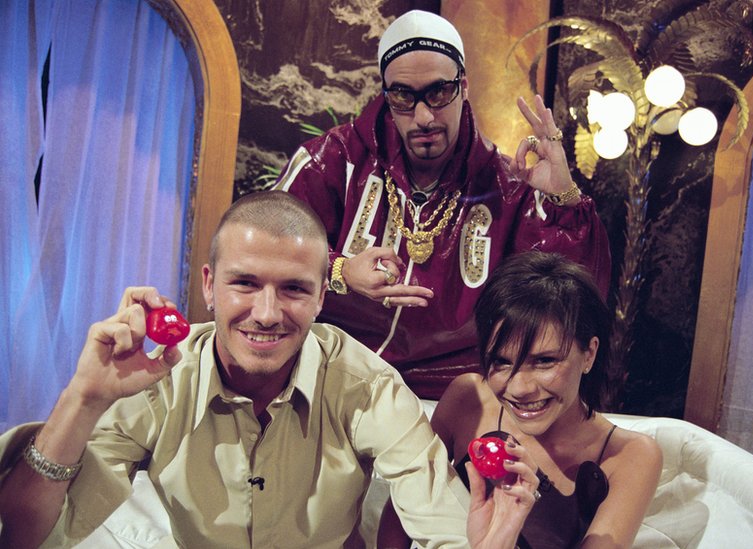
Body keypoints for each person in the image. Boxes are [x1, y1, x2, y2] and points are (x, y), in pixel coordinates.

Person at [0, 191, 539, 549]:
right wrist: (83, 397)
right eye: (245, 283)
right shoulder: (161, 377)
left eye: (294, 289)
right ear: (209, 286)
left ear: (322, 296)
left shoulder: (367, 387)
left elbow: (442, 525)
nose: (266, 313)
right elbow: (25, 536)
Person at [274, 9, 611, 400]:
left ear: (463, 87)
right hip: (333, 374)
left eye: (438, 93)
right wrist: (341, 270)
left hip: (454, 394)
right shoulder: (334, 161)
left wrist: (563, 199)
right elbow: (266, 251)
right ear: (386, 94)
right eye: (403, 96)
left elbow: (572, 301)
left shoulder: (505, 187)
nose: (423, 116)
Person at [379, 251, 663, 548]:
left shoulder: (631, 456)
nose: (520, 388)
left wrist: (501, 538)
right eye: (501, 362)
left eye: (545, 361)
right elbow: (400, 518)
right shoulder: (468, 400)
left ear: (589, 354)